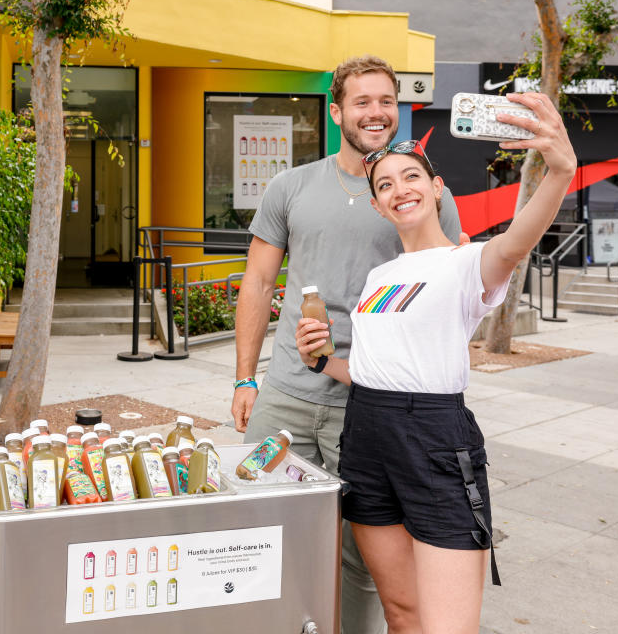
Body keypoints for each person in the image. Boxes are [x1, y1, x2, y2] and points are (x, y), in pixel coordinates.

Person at [295, 92, 576, 633]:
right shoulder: (380, 279)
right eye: (385, 185)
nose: (399, 190)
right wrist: (323, 360)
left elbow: (516, 243)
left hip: (434, 437)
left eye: (411, 178)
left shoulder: (466, 263)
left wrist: (560, 172)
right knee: (402, 615)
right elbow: (374, 370)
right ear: (377, 205)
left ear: (436, 188)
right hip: (366, 433)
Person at [232, 55, 462, 633]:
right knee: (259, 530)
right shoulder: (293, 186)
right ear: (337, 112)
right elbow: (258, 283)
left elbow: (451, 290)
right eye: (362, 102)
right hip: (284, 397)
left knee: (361, 558)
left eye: (386, 100)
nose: (376, 112)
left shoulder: (419, 195)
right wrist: (244, 377)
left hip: (369, 406)